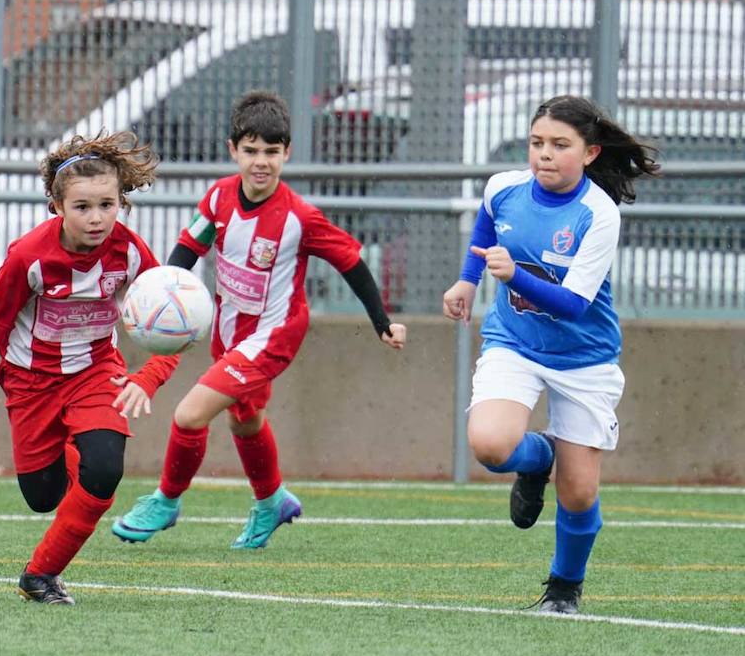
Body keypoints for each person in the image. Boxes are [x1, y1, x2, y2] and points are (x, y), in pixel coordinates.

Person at [112, 89, 406, 549]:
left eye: (272, 151)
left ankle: (166, 501)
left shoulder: (299, 218)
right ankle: (272, 502)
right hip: (231, 332)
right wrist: (162, 292)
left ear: (287, 152)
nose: (261, 162)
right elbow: (191, 246)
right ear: (234, 151)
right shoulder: (219, 198)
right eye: (251, 151)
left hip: (273, 337)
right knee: (244, 421)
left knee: (190, 415)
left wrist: (380, 320)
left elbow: (351, 262)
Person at [0, 130, 177, 604]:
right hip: (31, 383)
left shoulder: (130, 252)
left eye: (107, 204)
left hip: (95, 371)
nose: (96, 217)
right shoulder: (29, 257)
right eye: (82, 206)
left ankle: (40, 575)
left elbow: (170, 331)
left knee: (104, 469)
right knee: (43, 497)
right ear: (57, 207)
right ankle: (72, 449)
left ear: (121, 202)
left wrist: (146, 377)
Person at [441, 95, 658, 614]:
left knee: (579, 493)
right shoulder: (505, 188)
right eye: (537, 142)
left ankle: (564, 588)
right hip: (515, 343)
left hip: (583, 357)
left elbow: (575, 306)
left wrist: (514, 275)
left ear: (589, 153)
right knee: (491, 445)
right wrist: (468, 281)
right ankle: (538, 457)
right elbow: (487, 227)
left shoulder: (598, 215)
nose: (544, 154)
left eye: (560, 145)